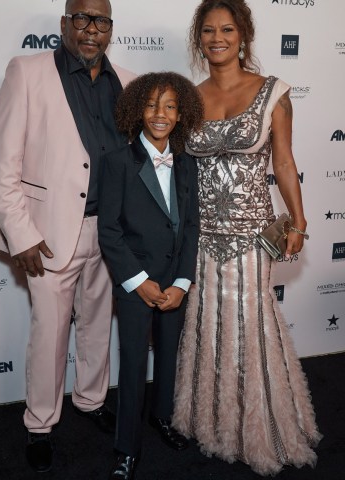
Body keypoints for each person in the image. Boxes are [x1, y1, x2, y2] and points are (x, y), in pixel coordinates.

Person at [172, 0, 322, 476]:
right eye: (209, 31)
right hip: (200, 237)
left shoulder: (272, 92)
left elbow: (283, 163)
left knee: (250, 324)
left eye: (227, 30)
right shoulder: (189, 97)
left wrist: (297, 222)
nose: (218, 38)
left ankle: (263, 429)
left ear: (243, 36)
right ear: (200, 39)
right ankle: (212, 424)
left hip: (251, 237)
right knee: (206, 325)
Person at [0, 0, 135, 473]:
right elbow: (1, 165)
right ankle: (40, 422)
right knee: (49, 332)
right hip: (47, 234)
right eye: (83, 18)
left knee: (97, 325)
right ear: (65, 22)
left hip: (110, 231)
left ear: (111, 28)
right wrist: (20, 234)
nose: (92, 29)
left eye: (102, 21)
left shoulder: (127, 81)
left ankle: (91, 401)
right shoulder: (27, 72)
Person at [97, 72, 203, 480]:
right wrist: (137, 281)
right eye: (152, 105)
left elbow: (191, 226)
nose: (160, 114)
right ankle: (127, 447)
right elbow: (109, 230)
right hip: (134, 283)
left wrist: (181, 283)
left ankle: (163, 418)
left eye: (170, 106)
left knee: (170, 358)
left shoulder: (187, 164)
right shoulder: (117, 162)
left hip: (174, 282)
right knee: (133, 361)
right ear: (137, 110)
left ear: (181, 115)